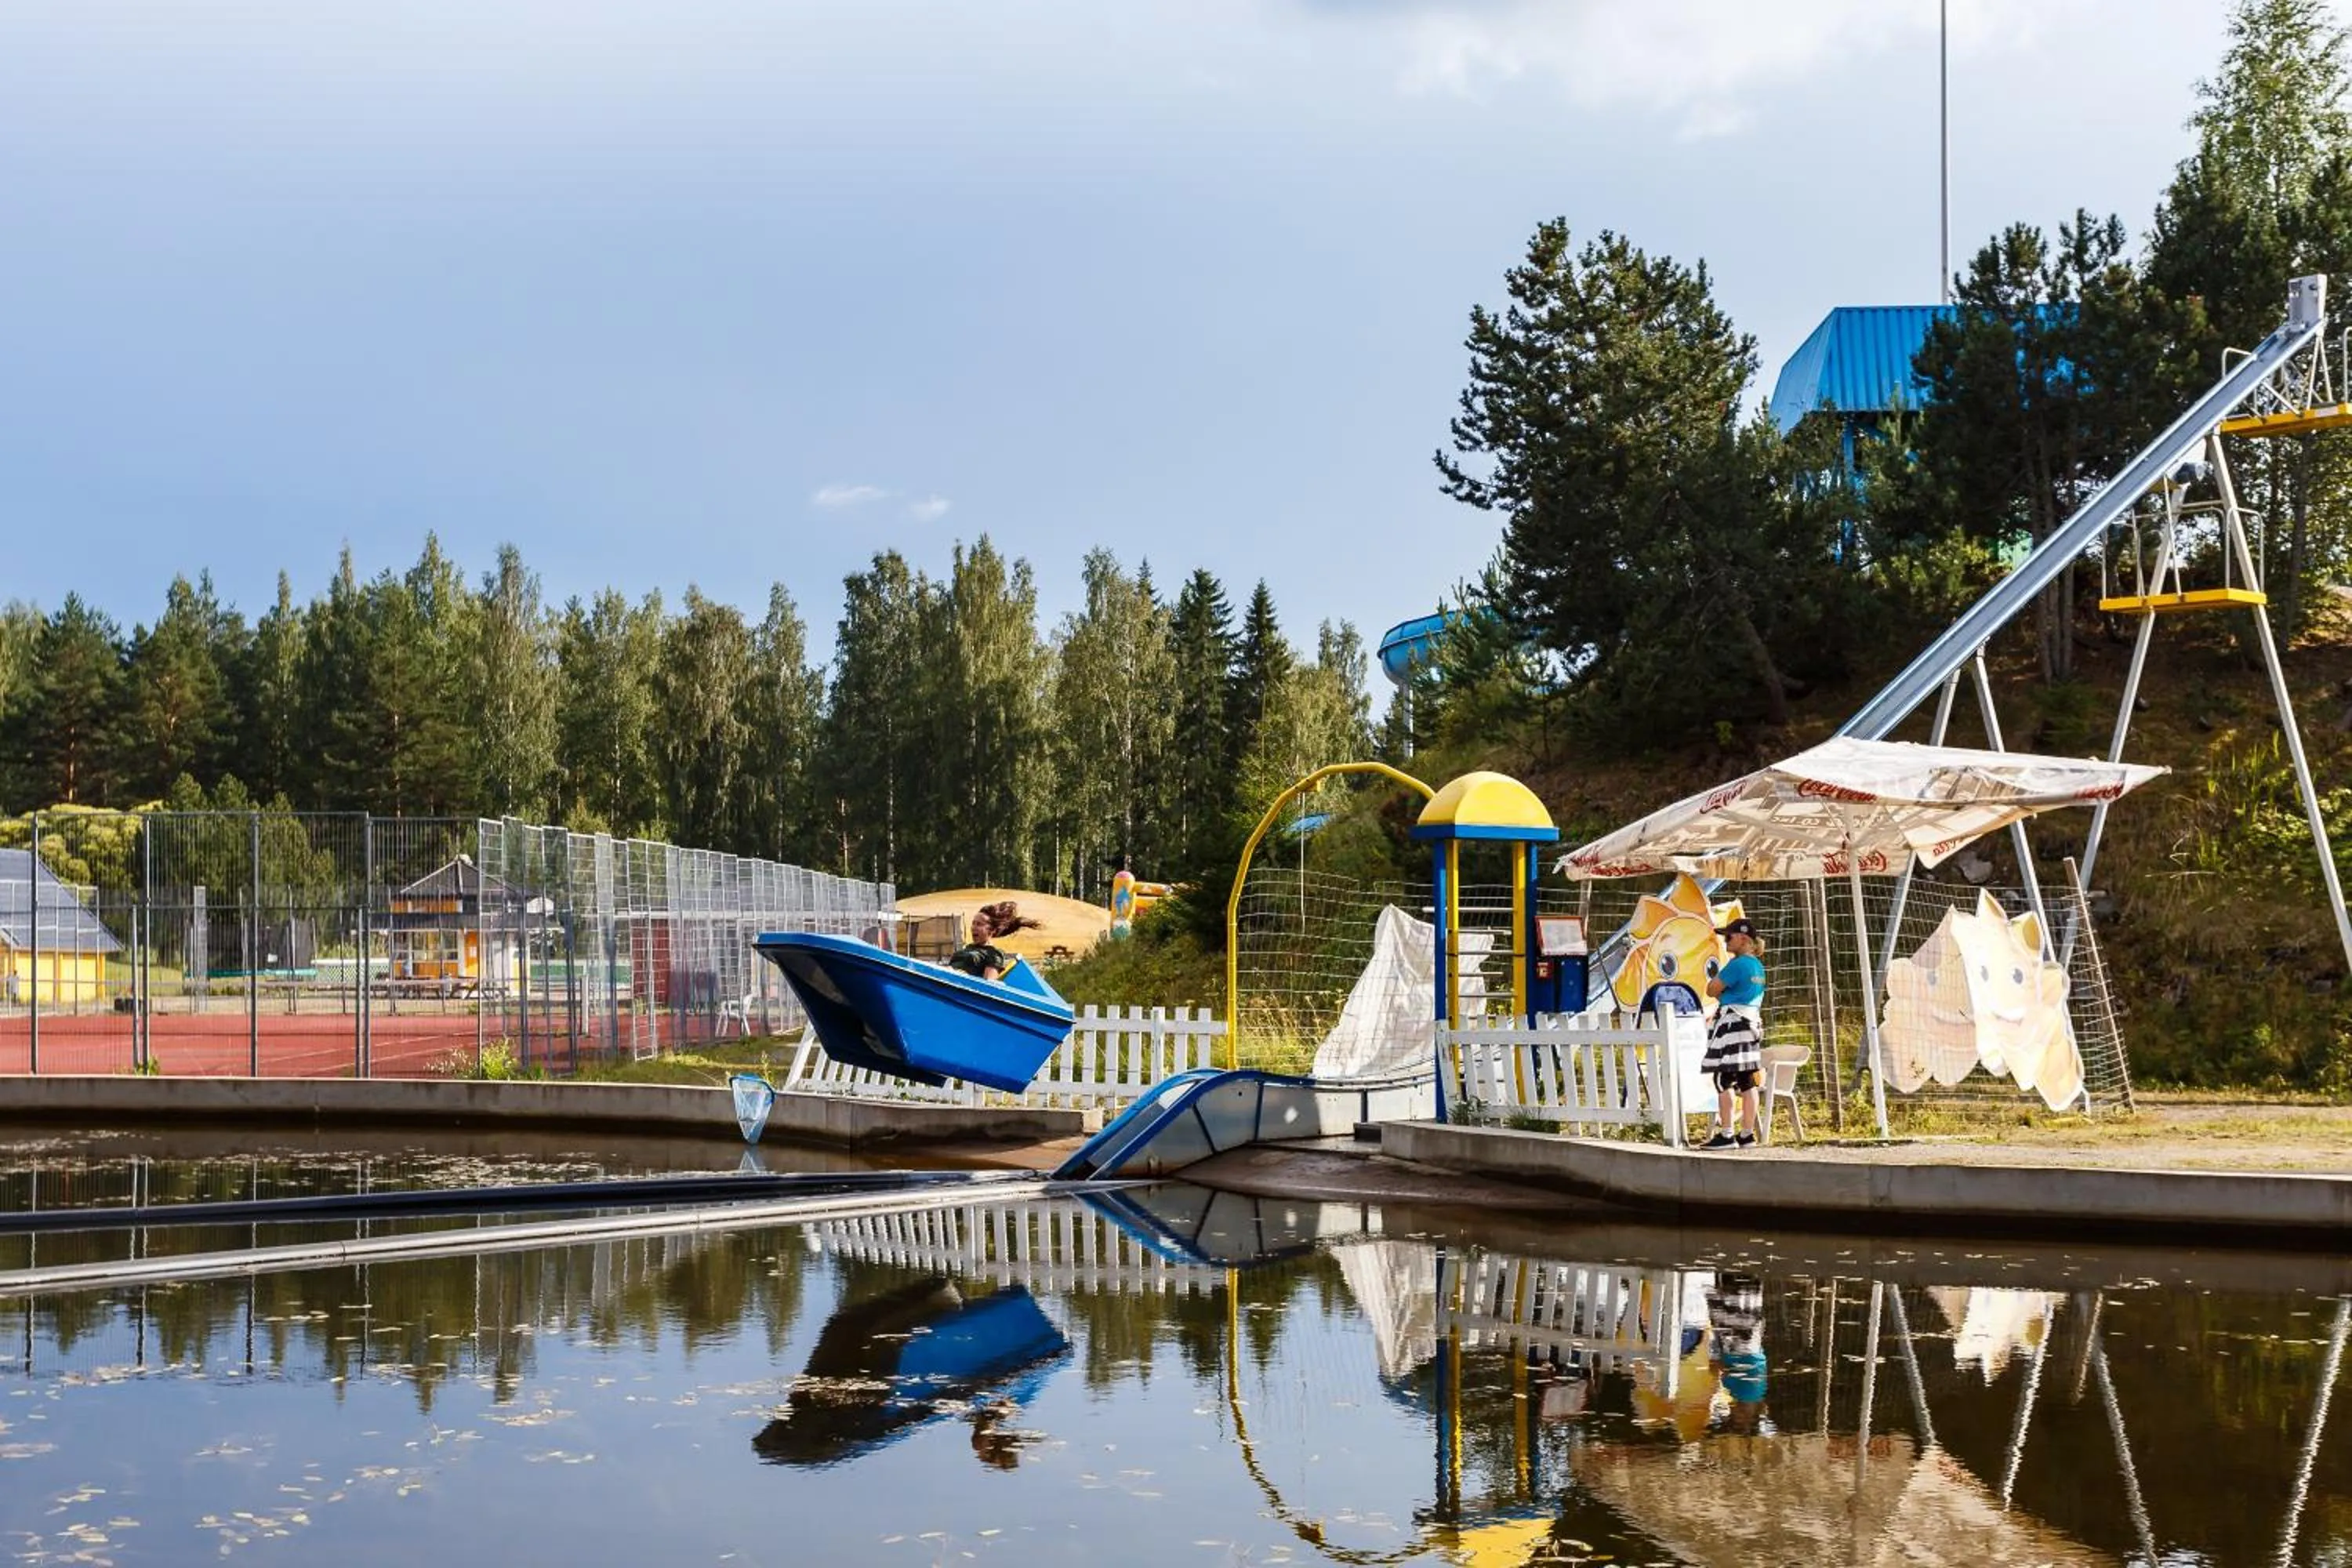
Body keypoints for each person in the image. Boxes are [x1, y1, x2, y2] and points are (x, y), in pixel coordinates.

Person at [1700, 916, 1766, 1149]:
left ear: (1743, 938)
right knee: (1748, 1081)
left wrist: (1724, 996)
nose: (1725, 940)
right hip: (1751, 1023)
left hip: (1733, 1024)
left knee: (1723, 1078)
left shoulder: (1737, 964)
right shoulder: (1758, 965)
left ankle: (1727, 1134)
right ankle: (1747, 1135)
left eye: (1729, 936)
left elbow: (1711, 989)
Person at [946, 901, 1040, 982]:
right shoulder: (968, 948)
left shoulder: (994, 954)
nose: (973, 927)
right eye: (973, 923)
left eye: (979, 924)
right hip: (945, 979)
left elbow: (988, 986)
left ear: (992, 930)